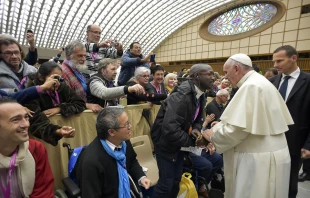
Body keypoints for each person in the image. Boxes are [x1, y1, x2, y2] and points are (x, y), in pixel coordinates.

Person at [202, 53, 293, 198]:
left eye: (226, 72)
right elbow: (248, 120)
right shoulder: (260, 82)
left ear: (237, 68)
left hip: (257, 160)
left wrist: (212, 137)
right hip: (272, 154)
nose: (224, 77)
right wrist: (222, 125)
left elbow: (236, 130)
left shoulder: (250, 86)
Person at [151, 64, 214, 198]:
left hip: (178, 143)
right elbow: (170, 129)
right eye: (209, 74)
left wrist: (196, 131)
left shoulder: (200, 94)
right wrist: (194, 142)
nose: (213, 78)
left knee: (175, 182)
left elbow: (198, 119)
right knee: (165, 185)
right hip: (166, 143)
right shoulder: (182, 95)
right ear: (197, 76)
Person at [76, 106, 151, 197]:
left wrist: (141, 177)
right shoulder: (92, 162)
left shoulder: (123, 141)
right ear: (111, 132)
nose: (130, 127)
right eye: (126, 125)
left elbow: (132, 161)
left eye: (129, 122)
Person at [269, 45, 310, 198]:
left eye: (279, 61)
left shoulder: (308, 81)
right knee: (271, 180)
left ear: (294, 58)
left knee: (290, 183)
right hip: (270, 140)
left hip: (296, 141)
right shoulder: (271, 82)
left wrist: (308, 144)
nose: (275, 65)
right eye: (274, 61)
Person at [0, 98, 54, 197]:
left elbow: (43, 193)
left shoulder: (35, 149)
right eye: (15, 120)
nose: (26, 124)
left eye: (26, 117)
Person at [25, 61, 86, 146]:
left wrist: (60, 109)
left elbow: (80, 103)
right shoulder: (31, 90)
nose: (58, 82)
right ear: (41, 77)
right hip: (42, 141)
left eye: (60, 78)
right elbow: (35, 121)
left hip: (63, 137)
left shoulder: (61, 86)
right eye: (55, 77)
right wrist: (56, 131)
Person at [62, 40, 102, 113]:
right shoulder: (63, 72)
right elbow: (66, 100)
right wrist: (86, 105)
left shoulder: (76, 68)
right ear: (68, 55)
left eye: (84, 55)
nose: (84, 59)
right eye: (80, 56)